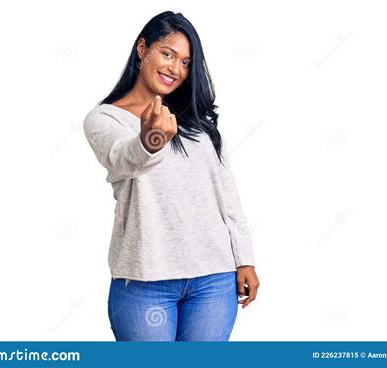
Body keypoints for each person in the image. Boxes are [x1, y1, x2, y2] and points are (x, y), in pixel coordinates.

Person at [83, 10, 260, 341]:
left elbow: (225, 193)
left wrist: (244, 258)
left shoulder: (196, 122)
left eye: (185, 62)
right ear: (142, 49)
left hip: (214, 279)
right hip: (145, 280)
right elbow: (123, 159)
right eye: (167, 54)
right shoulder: (105, 119)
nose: (175, 69)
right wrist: (151, 139)